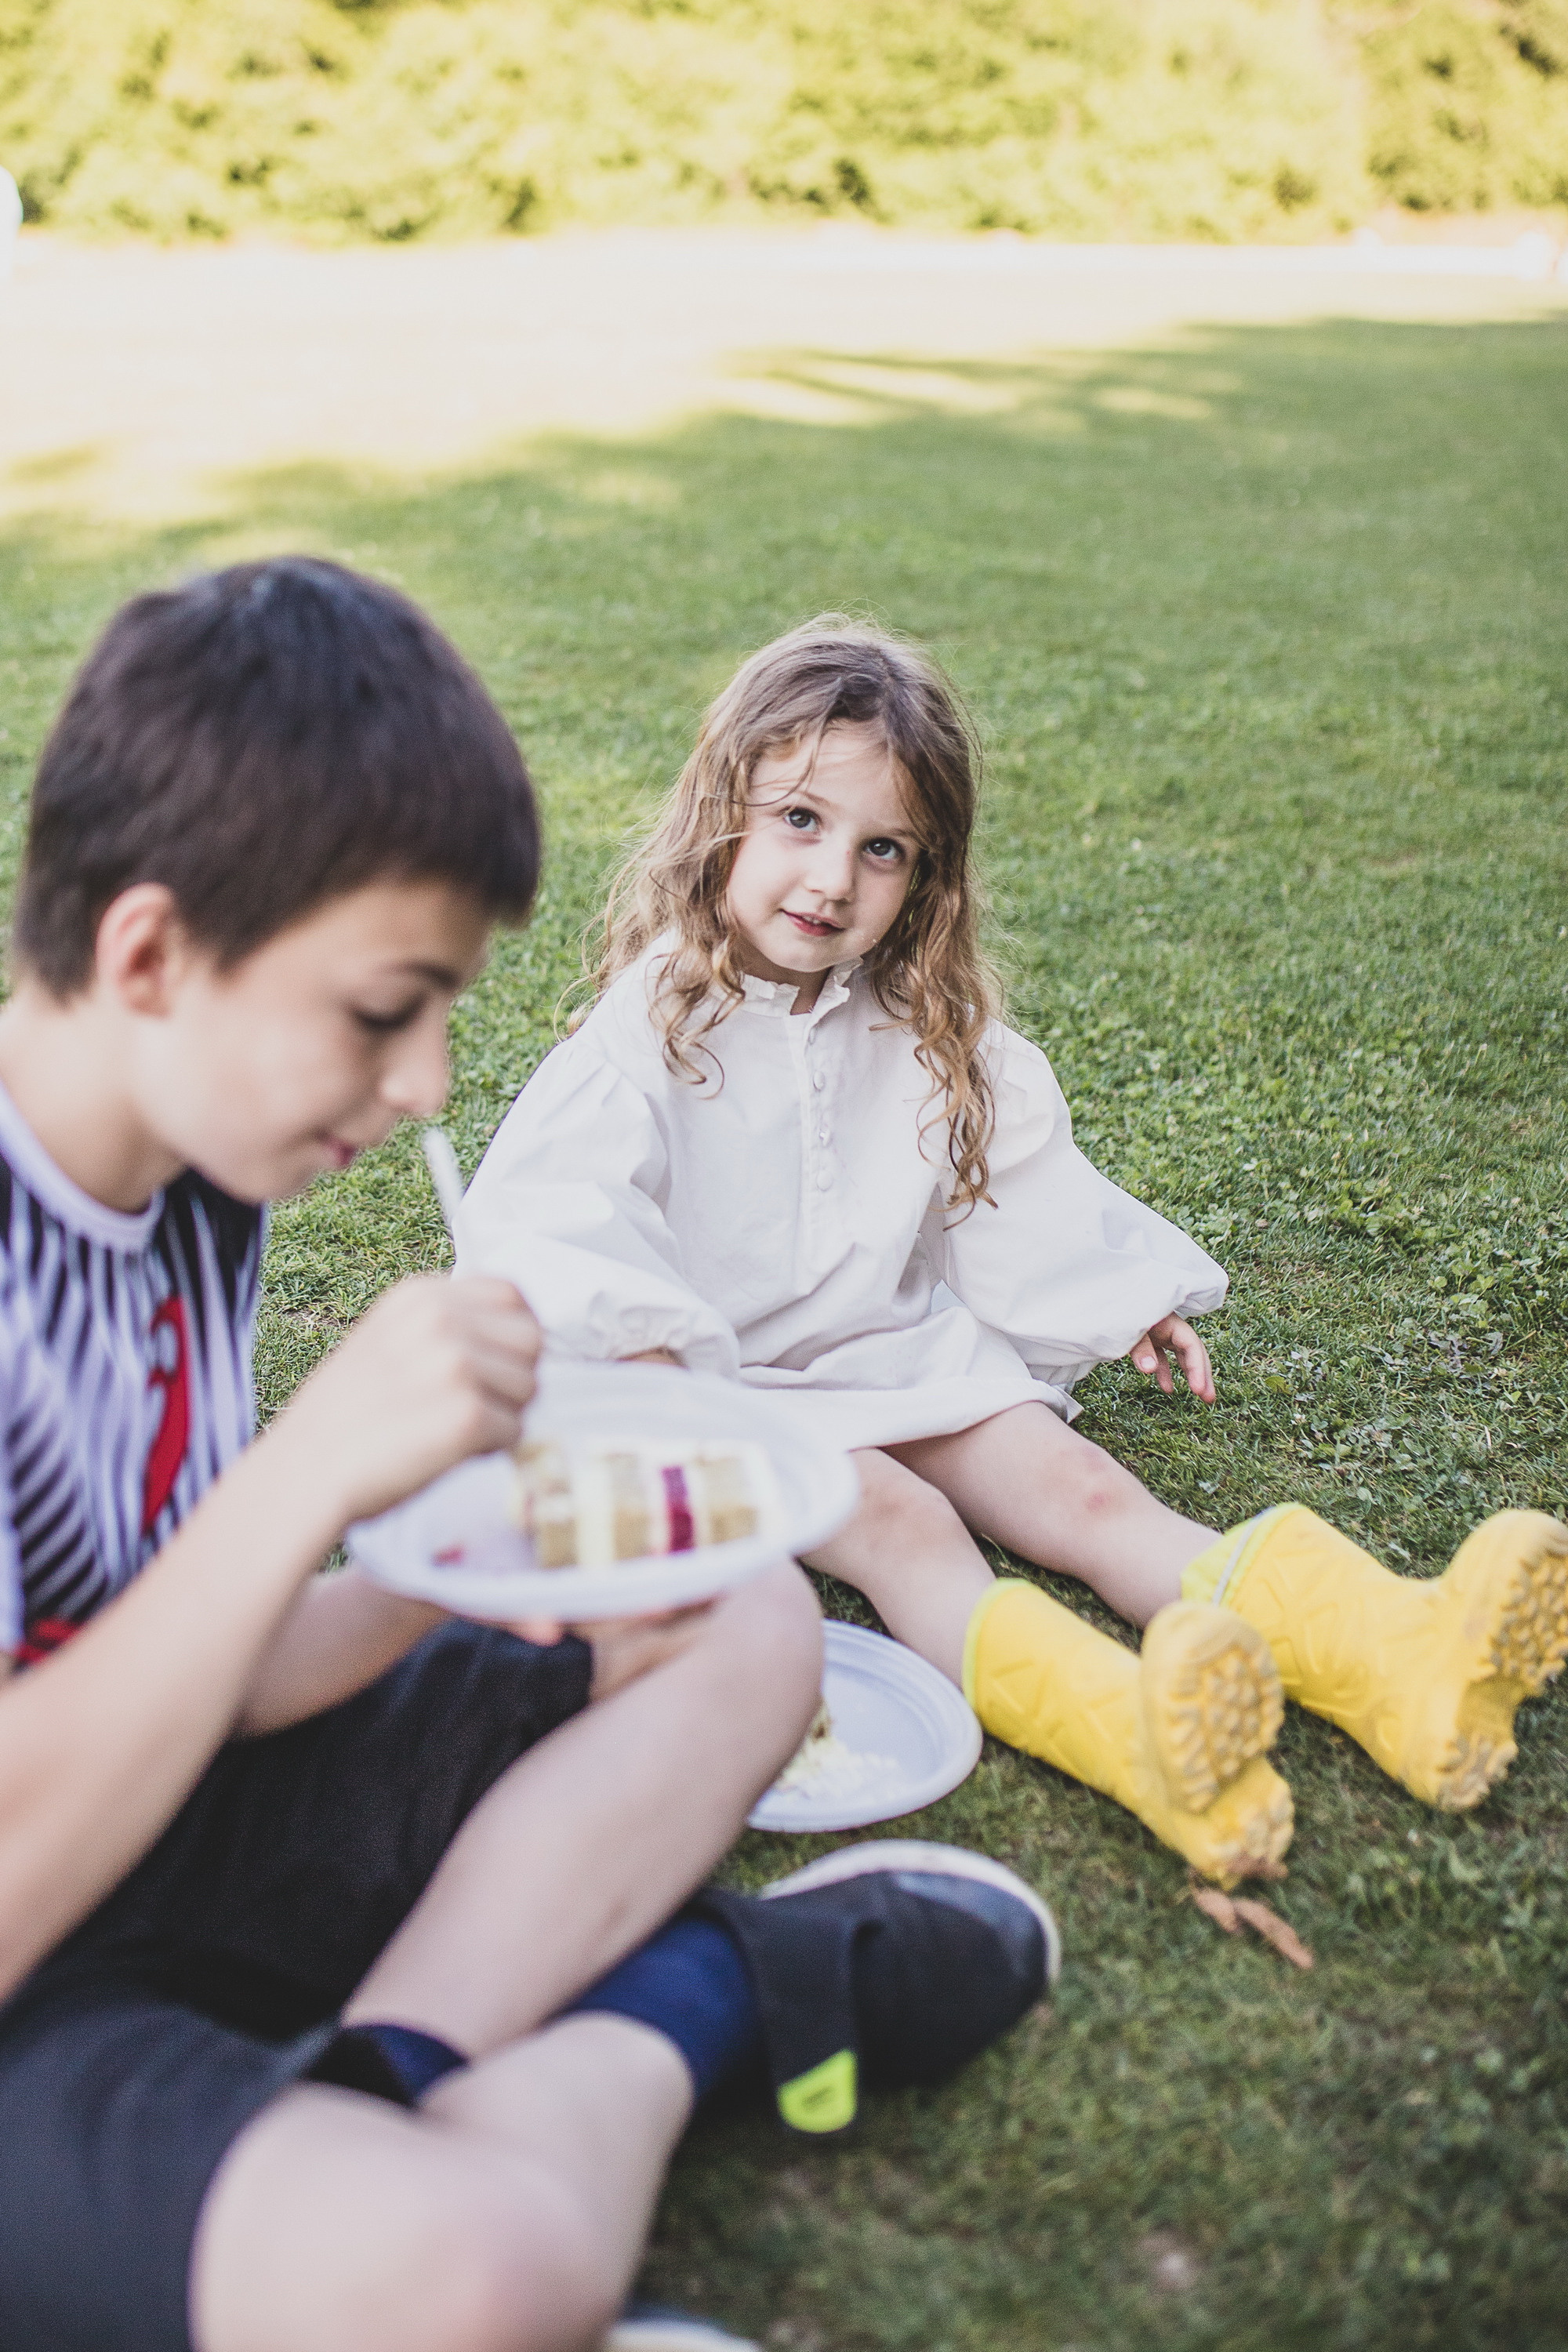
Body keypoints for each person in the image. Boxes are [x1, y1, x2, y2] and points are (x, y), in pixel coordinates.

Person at [0, 564, 1059, 2352]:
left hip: (174, 1824)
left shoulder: (190, 1178)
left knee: (730, 1621)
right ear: (151, 956)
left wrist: (456, 1564)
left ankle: (381, 2080)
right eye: (380, 1011)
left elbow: (180, 1662)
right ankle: (694, 1996)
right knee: (480, 2276)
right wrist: (308, 1483)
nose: (421, 1084)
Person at [466, 616, 1568, 1885]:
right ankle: (1133, 1733)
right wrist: (656, 1370)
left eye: (883, 850)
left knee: (1083, 1490)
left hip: (891, 1348)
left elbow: (1014, 1186)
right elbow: (559, 1211)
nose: (833, 880)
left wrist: (1118, 1294)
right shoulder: (652, 1027)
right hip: (735, 1392)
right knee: (903, 1521)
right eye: (800, 824)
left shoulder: (926, 1022)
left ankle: (1396, 1657)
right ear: (723, 813)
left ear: (926, 873)